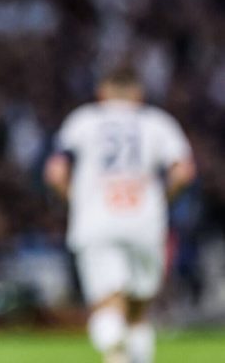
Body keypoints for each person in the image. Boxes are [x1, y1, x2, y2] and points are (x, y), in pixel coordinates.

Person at [44, 65, 195, 363]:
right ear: (139, 94)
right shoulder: (158, 123)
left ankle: (115, 355)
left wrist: (76, 201)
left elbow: (56, 172)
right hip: (145, 220)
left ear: (102, 92)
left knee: (108, 300)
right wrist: (163, 199)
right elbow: (183, 173)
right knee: (139, 305)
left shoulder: (84, 120)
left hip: (97, 220)